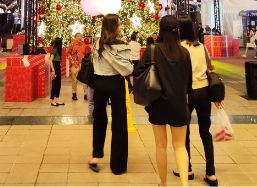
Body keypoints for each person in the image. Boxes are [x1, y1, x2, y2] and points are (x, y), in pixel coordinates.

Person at [134, 16, 192, 187]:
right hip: (179, 104)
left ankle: (163, 183)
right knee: (180, 146)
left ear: (160, 30)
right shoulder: (184, 52)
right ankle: (184, 184)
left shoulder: (153, 50)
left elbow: (138, 72)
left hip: (157, 103)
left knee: (161, 146)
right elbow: (188, 83)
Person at [177, 17, 220, 186]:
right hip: (204, 93)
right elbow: (211, 69)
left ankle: (187, 168)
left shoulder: (180, 47)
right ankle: (211, 173)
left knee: (184, 132)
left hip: (187, 94)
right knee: (205, 132)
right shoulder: (202, 47)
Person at [89, 14, 133, 175]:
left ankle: (96, 157)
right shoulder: (122, 45)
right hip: (116, 84)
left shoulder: (97, 44)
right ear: (114, 27)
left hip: (99, 84)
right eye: (119, 25)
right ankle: (118, 165)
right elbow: (128, 69)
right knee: (119, 123)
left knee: (99, 120)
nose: (121, 27)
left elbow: (93, 64)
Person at [68, 33, 88, 101]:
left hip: (83, 65)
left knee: (85, 80)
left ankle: (86, 94)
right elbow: (68, 53)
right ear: (75, 37)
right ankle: (74, 94)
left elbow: (86, 54)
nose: (80, 37)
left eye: (81, 36)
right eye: (78, 36)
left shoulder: (84, 45)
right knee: (74, 80)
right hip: (75, 64)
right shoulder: (72, 44)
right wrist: (71, 60)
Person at [49, 37, 64, 106]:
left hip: (58, 68)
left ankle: (57, 99)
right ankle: (52, 100)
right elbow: (50, 61)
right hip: (54, 69)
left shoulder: (58, 51)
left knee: (58, 84)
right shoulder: (54, 50)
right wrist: (53, 70)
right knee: (54, 85)